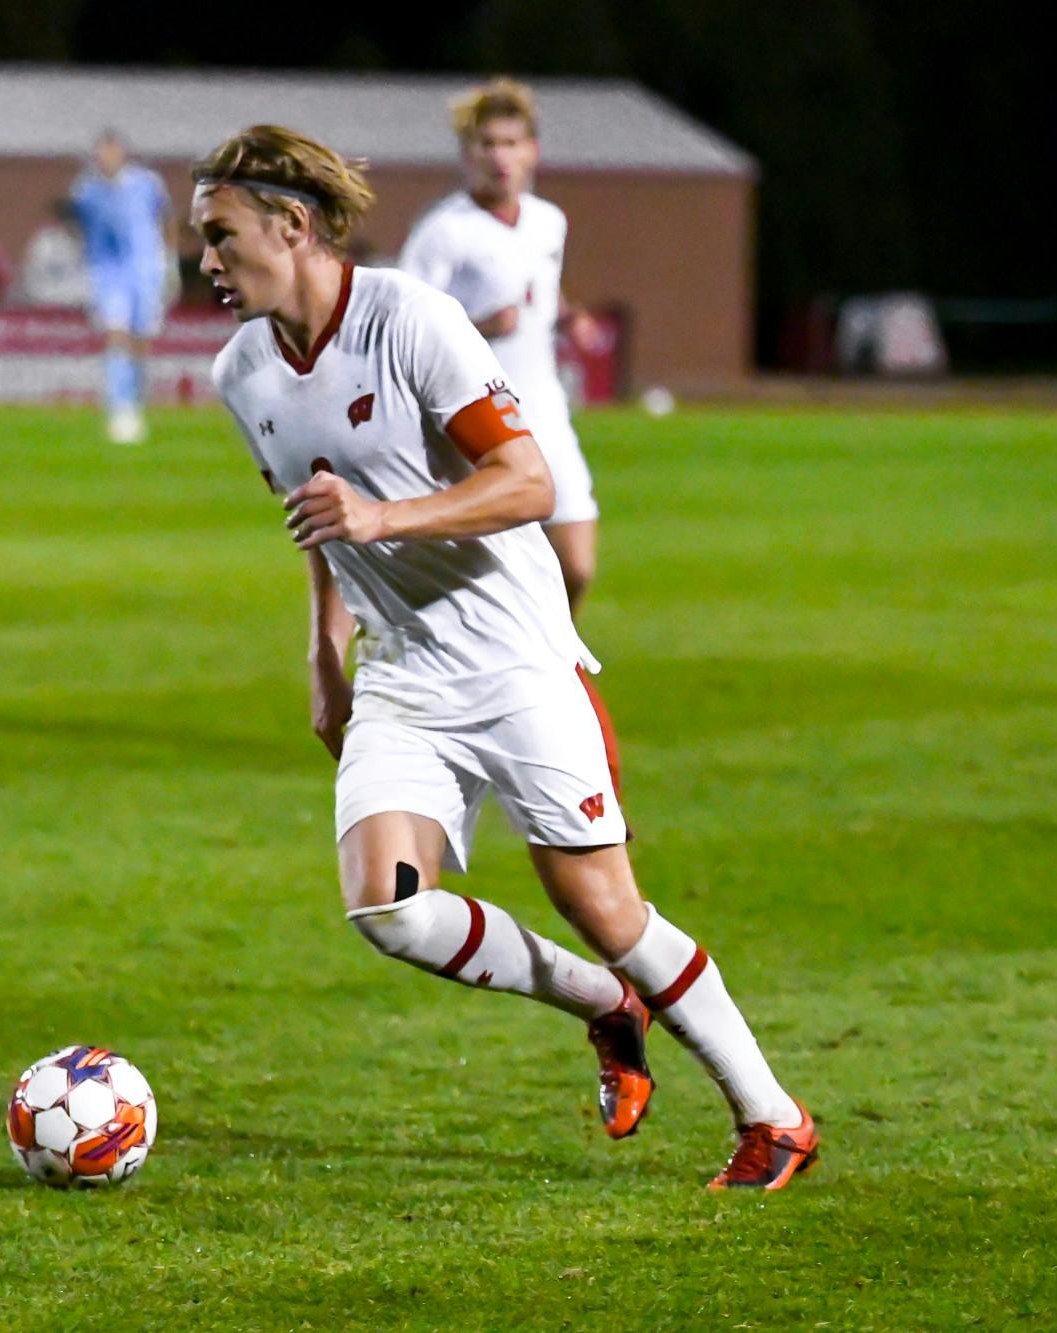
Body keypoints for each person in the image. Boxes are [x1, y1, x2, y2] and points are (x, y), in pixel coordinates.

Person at [194, 123, 818, 1190]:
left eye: (218, 234)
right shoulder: (240, 371)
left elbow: (526, 483)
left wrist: (384, 518)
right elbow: (317, 523)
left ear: (291, 225)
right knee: (386, 905)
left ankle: (773, 1118)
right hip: (399, 668)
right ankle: (600, 1005)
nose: (203, 260)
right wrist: (323, 651)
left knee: (606, 908)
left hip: (516, 657)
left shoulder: (411, 321)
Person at [398, 79, 605, 613]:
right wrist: (480, 327)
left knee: (576, 566)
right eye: (487, 144)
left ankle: (552, 665)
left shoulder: (548, 221)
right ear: (467, 154)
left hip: (546, 409)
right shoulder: (444, 232)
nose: (500, 157)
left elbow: (542, 288)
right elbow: (404, 323)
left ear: (532, 151)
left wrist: (569, 315)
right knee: (482, 581)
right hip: (475, 419)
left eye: (511, 143)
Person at [66, 131, 176, 445]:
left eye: (112, 152)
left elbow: (165, 219)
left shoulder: (147, 183)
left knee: (140, 342)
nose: (107, 159)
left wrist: (168, 263)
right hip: (107, 272)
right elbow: (77, 225)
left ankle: (136, 401)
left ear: (123, 154)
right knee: (116, 335)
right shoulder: (86, 190)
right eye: (102, 153)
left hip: (146, 269)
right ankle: (120, 409)